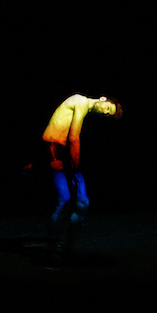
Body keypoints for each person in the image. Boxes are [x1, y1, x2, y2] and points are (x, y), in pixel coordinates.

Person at [41, 94, 122, 254]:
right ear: (103, 98)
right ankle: (52, 247)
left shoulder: (82, 106)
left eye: (108, 114)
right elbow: (73, 137)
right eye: (107, 108)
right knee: (65, 200)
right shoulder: (81, 101)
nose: (105, 112)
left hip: (61, 152)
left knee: (82, 203)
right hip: (54, 151)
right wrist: (75, 169)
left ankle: (68, 247)